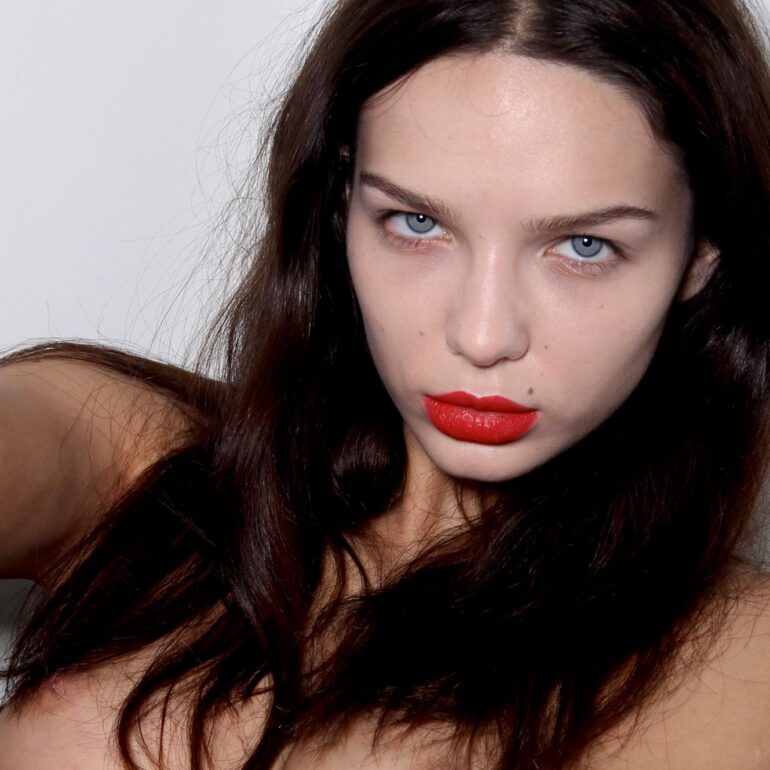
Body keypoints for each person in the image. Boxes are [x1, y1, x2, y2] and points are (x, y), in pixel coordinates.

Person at [2, 0, 770, 767]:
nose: (482, 336)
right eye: (416, 223)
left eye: (585, 245)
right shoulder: (137, 469)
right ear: (343, 205)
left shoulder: (748, 668)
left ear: (701, 252)